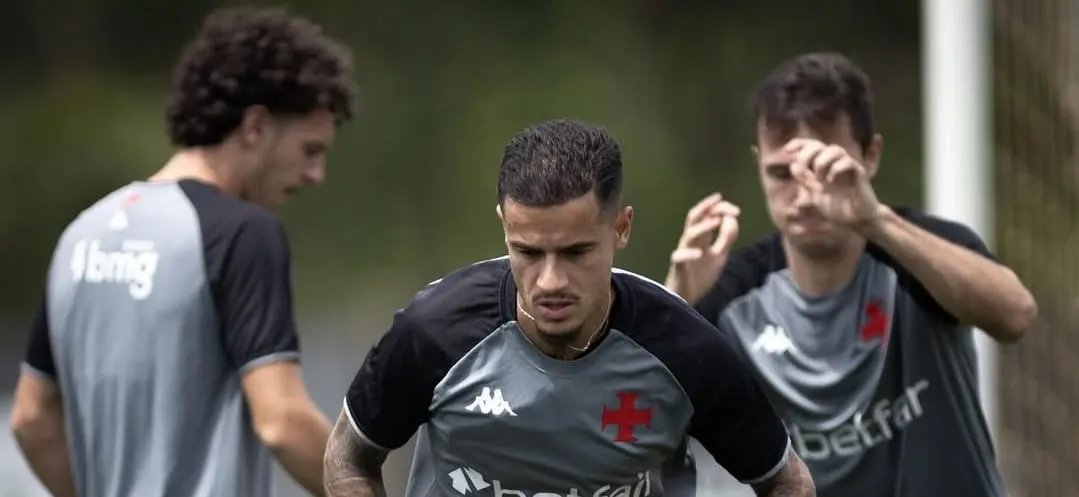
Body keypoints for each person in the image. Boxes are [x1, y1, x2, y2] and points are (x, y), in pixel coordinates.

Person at [322, 119, 816, 497]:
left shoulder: (687, 350)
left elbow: (786, 482)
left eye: (576, 252)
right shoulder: (434, 332)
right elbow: (348, 458)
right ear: (504, 227)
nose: (551, 281)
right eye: (529, 252)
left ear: (621, 228)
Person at [8, 7, 357, 497]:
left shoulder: (82, 233)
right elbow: (282, 421)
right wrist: (367, 487)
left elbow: (30, 419)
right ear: (255, 126)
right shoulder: (241, 234)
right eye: (310, 150)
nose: (314, 175)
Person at [664, 52, 1038, 497]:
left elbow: (1015, 316)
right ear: (757, 163)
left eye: (824, 169)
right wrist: (674, 299)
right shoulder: (732, 290)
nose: (804, 195)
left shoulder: (917, 255)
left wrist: (875, 221)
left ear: (870, 156)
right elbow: (636, 409)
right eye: (781, 173)